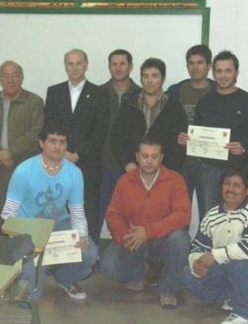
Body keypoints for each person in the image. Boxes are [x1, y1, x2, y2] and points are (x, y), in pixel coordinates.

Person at [1, 123, 98, 302]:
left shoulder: (75, 173)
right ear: (41, 143)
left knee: (89, 252)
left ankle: (66, 279)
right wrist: (22, 240)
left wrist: (82, 235)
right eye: (52, 141)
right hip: (26, 228)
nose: (57, 146)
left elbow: (77, 212)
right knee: (30, 300)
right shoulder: (24, 171)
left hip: (58, 225)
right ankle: (23, 275)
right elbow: (8, 213)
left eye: (62, 142)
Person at [100, 137, 191, 309]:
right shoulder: (125, 181)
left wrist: (148, 232)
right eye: (145, 156)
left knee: (181, 239)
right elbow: (113, 214)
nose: (149, 161)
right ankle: (137, 275)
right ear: (137, 157)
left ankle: (168, 290)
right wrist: (125, 235)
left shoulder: (176, 180)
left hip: (162, 239)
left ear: (162, 158)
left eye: (154, 156)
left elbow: (182, 215)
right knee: (108, 268)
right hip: (133, 237)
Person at [181, 166, 248, 324]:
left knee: (239, 263)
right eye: (227, 184)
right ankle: (232, 296)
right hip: (226, 268)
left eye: (237, 185)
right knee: (187, 275)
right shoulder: (211, 215)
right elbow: (198, 246)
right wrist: (197, 263)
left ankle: (245, 313)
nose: (230, 189)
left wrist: (213, 256)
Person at [178, 50, 248, 218]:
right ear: (213, 72)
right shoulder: (205, 101)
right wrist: (189, 139)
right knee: (210, 218)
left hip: (238, 172)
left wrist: (244, 149)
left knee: (237, 219)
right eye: (219, 71)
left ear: (236, 73)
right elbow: (197, 132)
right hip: (208, 171)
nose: (223, 75)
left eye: (228, 71)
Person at [44, 49, 109, 245]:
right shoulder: (54, 92)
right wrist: (63, 153)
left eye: (78, 63)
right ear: (65, 66)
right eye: (70, 63)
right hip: (57, 162)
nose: (74, 68)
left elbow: (100, 131)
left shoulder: (99, 93)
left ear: (86, 65)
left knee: (88, 210)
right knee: (56, 209)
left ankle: (89, 253)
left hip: (88, 163)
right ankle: (58, 255)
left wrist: (77, 153)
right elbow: (49, 127)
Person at [0, 60, 44, 228]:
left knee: (24, 209)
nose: (11, 80)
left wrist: (11, 152)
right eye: (6, 76)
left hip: (23, 164)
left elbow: (36, 131)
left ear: (21, 78)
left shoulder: (34, 101)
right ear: (0, 79)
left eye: (15, 75)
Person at [111, 57, 187, 174]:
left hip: (163, 175)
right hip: (131, 172)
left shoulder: (174, 108)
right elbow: (116, 137)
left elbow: (178, 146)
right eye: (145, 76)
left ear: (163, 79)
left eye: (154, 76)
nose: (149, 81)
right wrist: (127, 163)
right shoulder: (129, 104)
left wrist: (166, 171)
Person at [167, 44, 215, 218]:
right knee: (179, 213)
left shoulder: (218, 90)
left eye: (200, 63)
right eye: (191, 63)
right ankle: (179, 245)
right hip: (181, 163)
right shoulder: (175, 91)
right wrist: (175, 137)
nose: (195, 67)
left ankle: (207, 246)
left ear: (209, 66)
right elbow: (166, 124)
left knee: (209, 213)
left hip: (210, 164)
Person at [98, 49, 142, 239]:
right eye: (114, 64)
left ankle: (131, 256)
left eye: (122, 63)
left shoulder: (140, 95)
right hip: (101, 164)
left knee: (131, 215)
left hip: (130, 166)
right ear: (109, 67)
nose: (118, 68)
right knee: (97, 212)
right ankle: (92, 254)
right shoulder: (98, 93)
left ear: (131, 66)